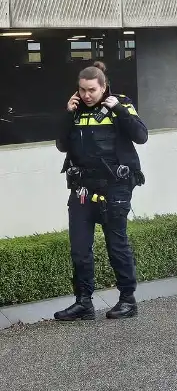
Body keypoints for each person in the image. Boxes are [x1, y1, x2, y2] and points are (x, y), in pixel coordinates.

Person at [53, 62, 148, 321]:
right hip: (82, 188)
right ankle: (83, 303)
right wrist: (67, 114)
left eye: (92, 90)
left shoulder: (121, 104)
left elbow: (141, 136)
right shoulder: (76, 110)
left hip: (115, 188)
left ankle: (127, 300)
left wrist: (117, 108)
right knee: (80, 249)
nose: (87, 95)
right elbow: (62, 145)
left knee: (117, 245)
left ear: (103, 87)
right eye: (82, 90)